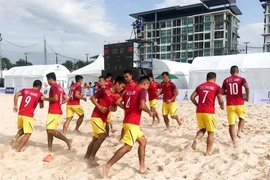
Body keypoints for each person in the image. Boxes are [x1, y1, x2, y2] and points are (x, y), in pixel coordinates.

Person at [102, 76, 153, 178]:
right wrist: (150, 112)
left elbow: (117, 102)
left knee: (143, 142)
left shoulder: (129, 91)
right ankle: (107, 165)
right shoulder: (142, 90)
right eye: (148, 85)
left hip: (129, 122)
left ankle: (142, 166)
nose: (148, 88)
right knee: (127, 147)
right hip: (132, 122)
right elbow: (142, 105)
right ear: (145, 84)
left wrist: (126, 108)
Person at [84, 76, 126, 165]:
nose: (122, 89)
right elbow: (92, 98)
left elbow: (115, 108)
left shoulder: (117, 96)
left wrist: (112, 108)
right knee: (103, 136)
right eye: (121, 86)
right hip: (96, 116)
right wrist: (99, 107)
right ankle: (92, 158)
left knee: (95, 139)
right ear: (117, 83)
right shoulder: (104, 90)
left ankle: (86, 156)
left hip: (103, 119)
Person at [190, 72, 224, 156]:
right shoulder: (217, 87)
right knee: (211, 133)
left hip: (199, 111)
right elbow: (220, 99)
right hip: (209, 112)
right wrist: (222, 106)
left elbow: (192, 97)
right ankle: (207, 152)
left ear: (206, 78)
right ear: (215, 79)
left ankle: (197, 138)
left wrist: (197, 105)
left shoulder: (200, 86)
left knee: (203, 128)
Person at [10, 80, 44, 152]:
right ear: (39, 86)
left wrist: (15, 105)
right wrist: (42, 101)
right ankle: (18, 149)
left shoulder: (25, 90)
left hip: (20, 114)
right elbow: (41, 106)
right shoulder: (39, 94)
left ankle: (15, 138)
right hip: (28, 115)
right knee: (28, 133)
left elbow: (16, 95)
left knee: (24, 128)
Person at [42, 72, 72, 151]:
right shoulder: (60, 87)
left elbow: (55, 98)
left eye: (48, 80)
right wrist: (60, 103)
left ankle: (67, 140)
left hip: (53, 111)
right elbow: (67, 98)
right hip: (57, 110)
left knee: (50, 130)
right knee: (49, 130)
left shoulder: (54, 87)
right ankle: (49, 147)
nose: (47, 82)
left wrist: (45, 99)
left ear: (51, 79)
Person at [222, 65, 249, 148]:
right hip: (239, 103)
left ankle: (234, 141)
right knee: (242, 118)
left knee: (231, 124)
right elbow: (247, 87)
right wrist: (247, 96)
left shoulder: (226, 80)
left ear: (230, 72)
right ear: (238, 71)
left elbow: (222, 92)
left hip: (230, 104)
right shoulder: (241, 79)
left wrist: (229, 92)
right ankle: (239, 131)